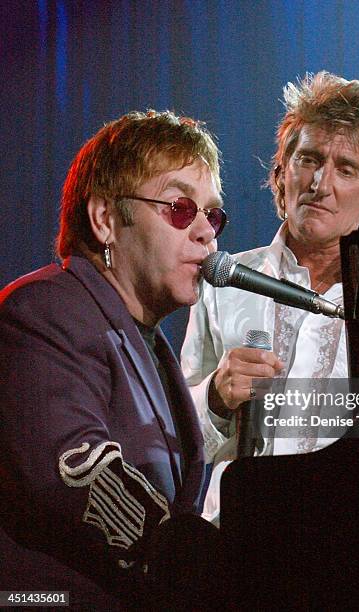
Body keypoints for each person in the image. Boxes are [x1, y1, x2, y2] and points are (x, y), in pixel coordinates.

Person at [0, 110, 230, 608]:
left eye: (212, 215)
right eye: (180, 208)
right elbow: (74, 472)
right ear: (105, 219)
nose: (207, 234)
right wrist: (203, 562)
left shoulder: (142, 338)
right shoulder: (46, 311)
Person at [181, 71, 359, 523]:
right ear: (280, 173)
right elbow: (168, 431)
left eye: (346, 169)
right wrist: (215, 396)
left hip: (355, 542)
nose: (320, 184)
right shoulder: (220, 280)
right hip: (238, 536)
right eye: (309, 160)